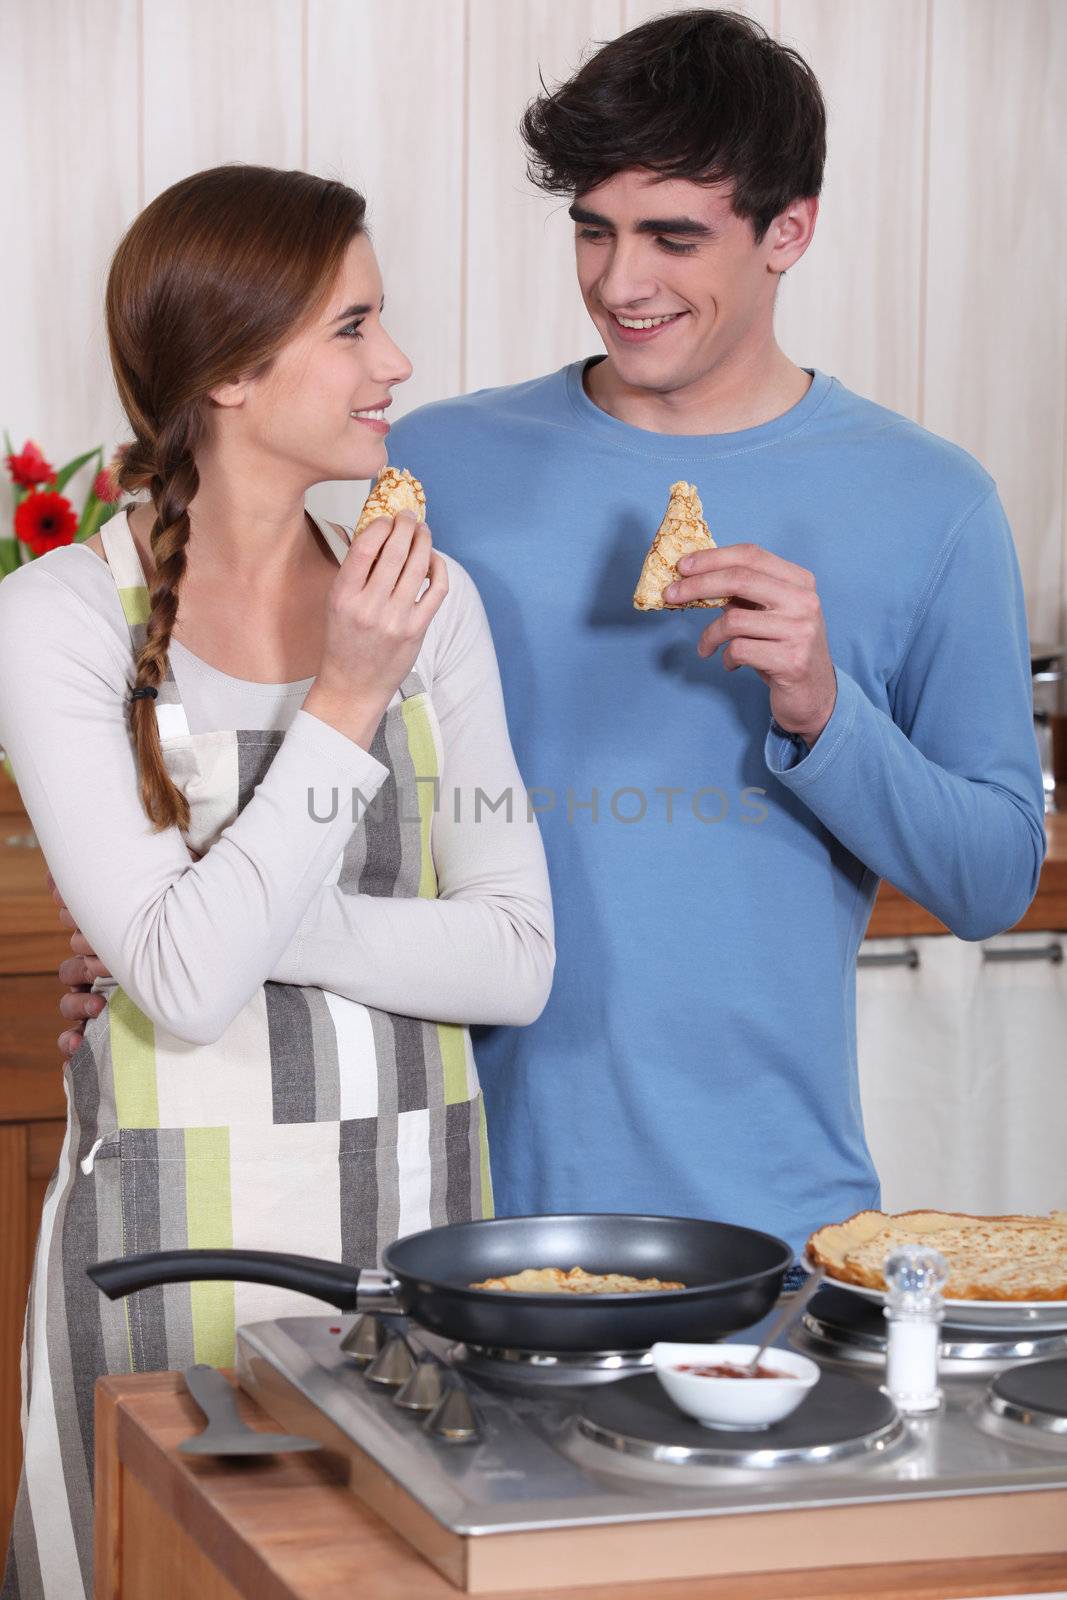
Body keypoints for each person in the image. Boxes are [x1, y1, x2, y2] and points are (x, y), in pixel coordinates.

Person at [56, 12, 1046, 1262]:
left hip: (764, 1213)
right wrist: (157, 946)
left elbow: (991, 880)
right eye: (593, 228)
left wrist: (822, 707)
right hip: (429, 1201)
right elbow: (299, 777)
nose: (618, 282)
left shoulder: (929, 502)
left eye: (672, 236)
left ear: (788, 230)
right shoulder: (428, 464)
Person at [0, 164, 553, 1600]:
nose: (399, 365)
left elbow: (515, 959)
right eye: (355, 327)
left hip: (407, 1262)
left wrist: (256, 926)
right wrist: (348, 698)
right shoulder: (58, 618)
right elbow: (183, 990)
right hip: (161, 1270)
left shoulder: (435, 598)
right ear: (238, 371)